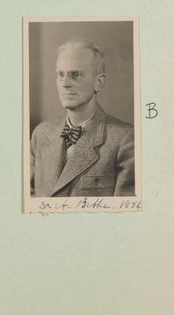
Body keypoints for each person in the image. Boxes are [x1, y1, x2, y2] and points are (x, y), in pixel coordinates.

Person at [30, 40, 135, 197]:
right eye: (60, 75)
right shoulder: (40, 134)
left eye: (75, 75)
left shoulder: (124, 140)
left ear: (98, 82)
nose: (65, 83)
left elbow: (124, 209)